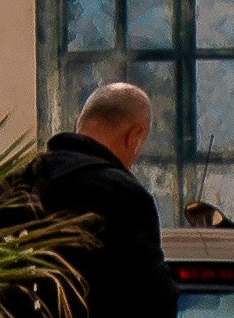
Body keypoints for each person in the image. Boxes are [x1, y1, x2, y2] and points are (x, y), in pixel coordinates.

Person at [25, 79, 173, 318]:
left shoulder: (15, 183)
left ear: (78, 124)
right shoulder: (123, 196)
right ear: (134, 136)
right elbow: (150, 298)